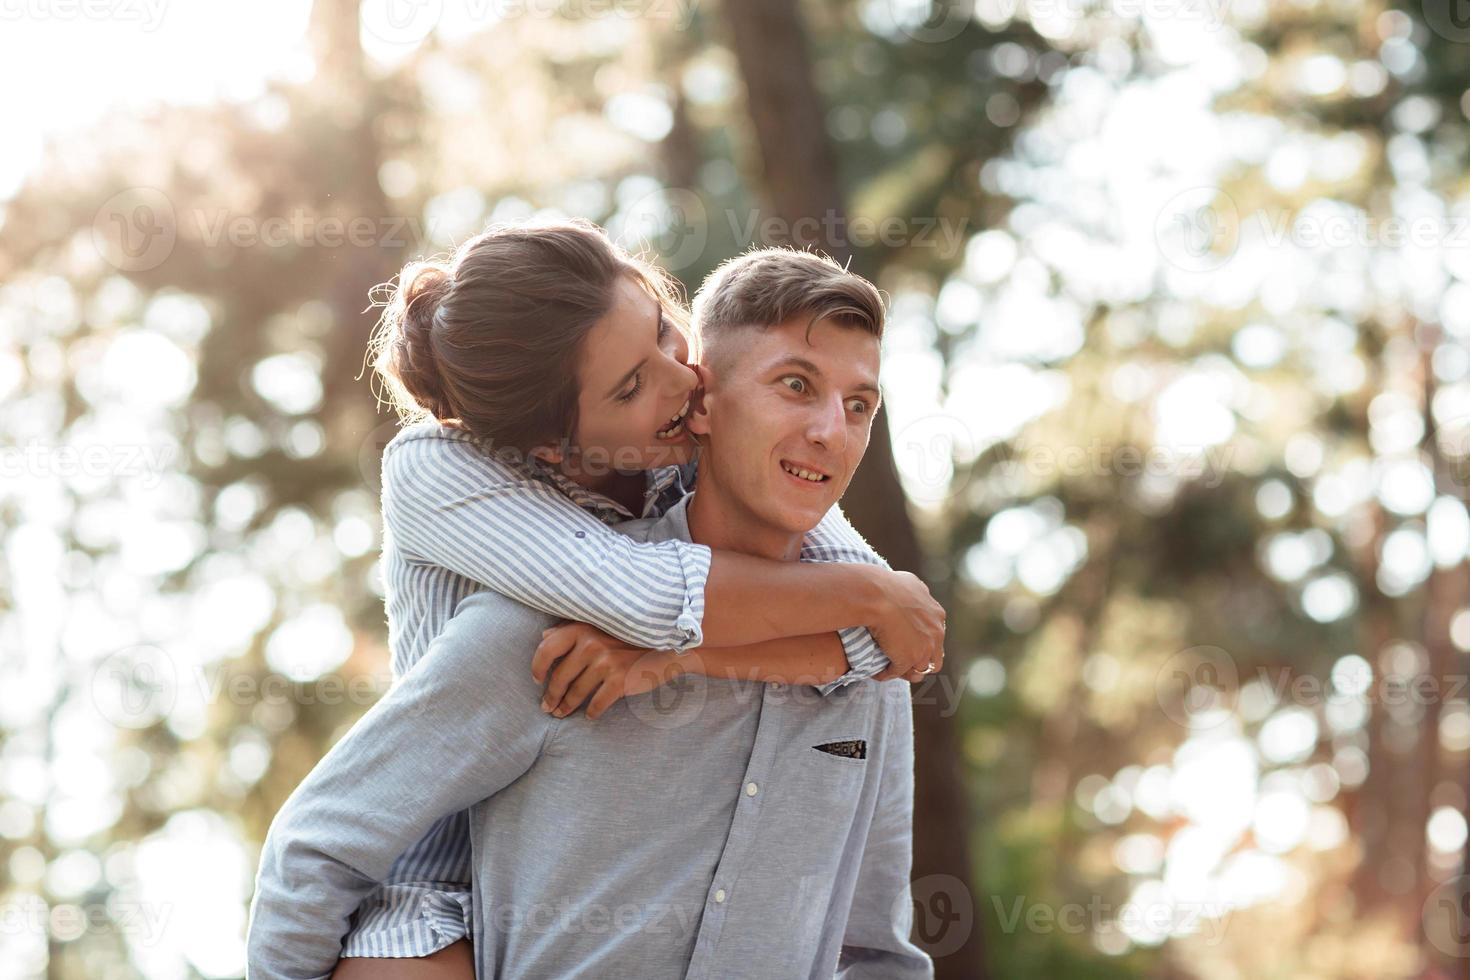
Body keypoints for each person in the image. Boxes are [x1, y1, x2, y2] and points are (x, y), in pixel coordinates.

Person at [246, 246, 933, 979]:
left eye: (668, 337)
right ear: (552, 444)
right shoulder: (531, 601)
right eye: (795, 385)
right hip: (423, 896)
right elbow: (639, 593)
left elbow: (878, 950)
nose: (684, 377)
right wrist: (872, 605)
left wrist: (875, 608)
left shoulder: (853, 640)